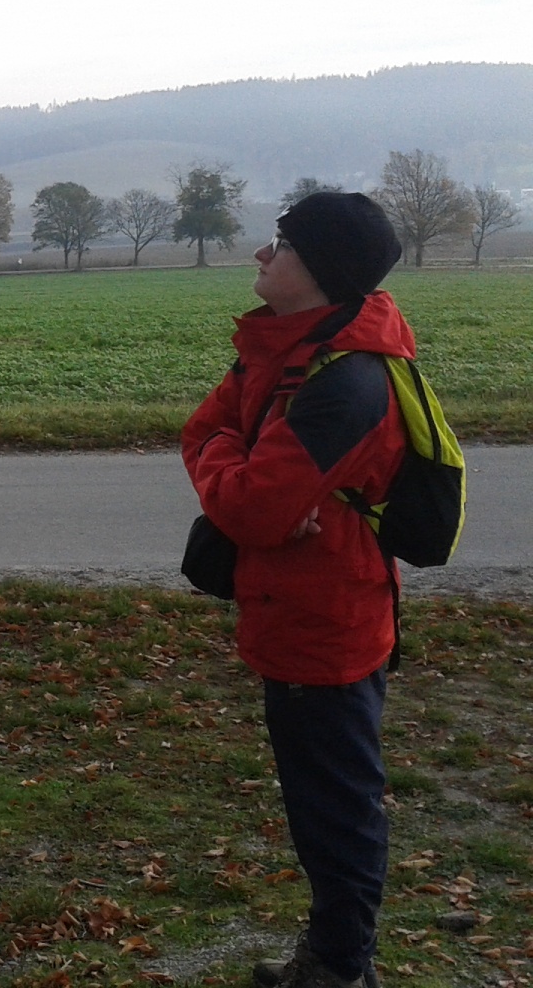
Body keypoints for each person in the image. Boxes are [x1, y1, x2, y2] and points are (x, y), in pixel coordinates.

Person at [181, 192, 408, 988]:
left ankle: (341, 969)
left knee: (335, 811)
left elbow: (248, 503)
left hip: (327, 626)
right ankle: (334, 957)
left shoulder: (345, 383)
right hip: (296, 609)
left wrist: (240, 475)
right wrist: (244, 471)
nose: (261, 254)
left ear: (320, 269)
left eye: (279, 245)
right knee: (320, 803)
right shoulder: (285, 350)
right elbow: (205, 431)